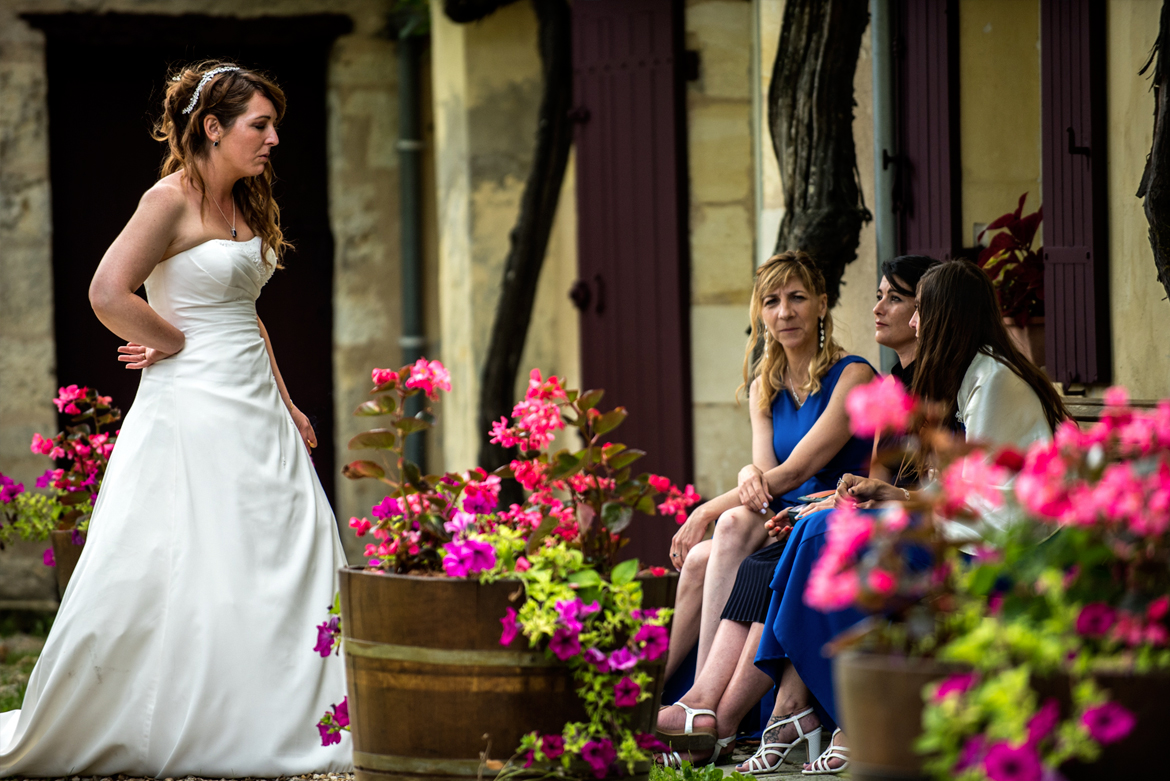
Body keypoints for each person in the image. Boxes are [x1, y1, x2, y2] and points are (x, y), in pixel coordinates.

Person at [0, 62, 350, 776]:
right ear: (212, 127)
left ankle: (292, 707)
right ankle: (183, 710)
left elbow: (246, 316)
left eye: (274, 125)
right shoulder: (170, 198)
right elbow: (107, 290)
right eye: (260, 124)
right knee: (197, 550)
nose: (274, 138)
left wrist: (287, 399)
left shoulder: (246, 204)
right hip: (191, 404)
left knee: (292, 538)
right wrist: (172, 338)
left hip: (253, 398)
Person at [752, 259, 1069, 775]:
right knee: (814, 527)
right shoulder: (970, 372)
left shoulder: (996, 382)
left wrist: (904, 511)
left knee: (828, 538)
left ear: (945, 315)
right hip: (964, 533)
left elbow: (995, 507)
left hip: (1000, 552)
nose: (915, 322)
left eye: (921, 310)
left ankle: (848, 716)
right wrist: (891, 496)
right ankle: (826, 712)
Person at [655, 256, 934, 772]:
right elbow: (764, 481)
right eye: (771, 301)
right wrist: (744, 478)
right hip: (783, 514)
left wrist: (706, 508)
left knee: (730, 526)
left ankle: (709, 707)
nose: (785, 312)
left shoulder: (854, 375)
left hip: (823, 511)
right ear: (759, 313)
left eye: (797, 298)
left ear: (822, 305)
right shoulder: (766, 385)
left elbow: (794, 471)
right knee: (702, 555)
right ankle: (673, 700)